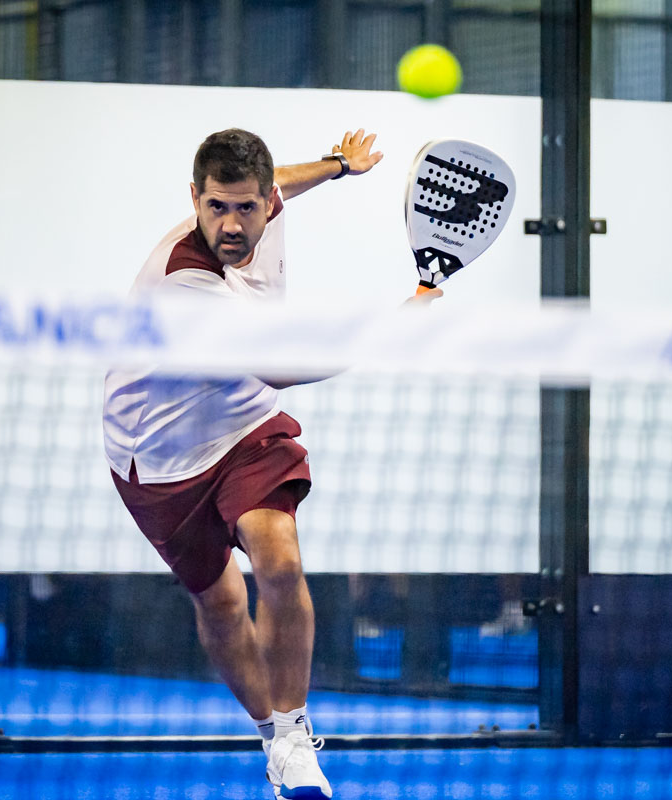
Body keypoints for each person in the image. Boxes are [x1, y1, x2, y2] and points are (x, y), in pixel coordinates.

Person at [103, 127, 438, 799]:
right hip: (158, 455)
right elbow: (281, 366)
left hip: (243, 422)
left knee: (279, 560)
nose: (231, 225)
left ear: (266, 202)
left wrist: (339, 166)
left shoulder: (268, 199)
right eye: (216, 207)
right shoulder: (184, 280)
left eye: (246, 207)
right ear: (194, 199)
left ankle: (293, 737)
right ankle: (270, 735)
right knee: (222, 602)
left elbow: (281, 177)